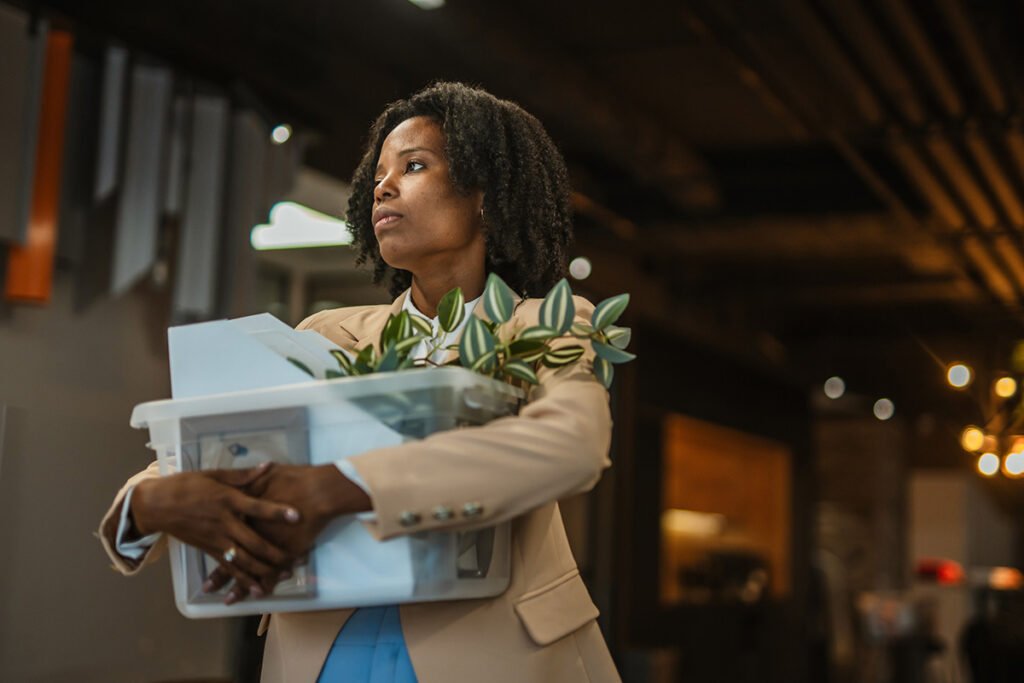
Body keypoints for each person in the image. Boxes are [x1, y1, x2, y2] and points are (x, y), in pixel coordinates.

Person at [99, 81, 620, 683]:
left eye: (415, 165)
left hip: (492, 649)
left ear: (485, 193)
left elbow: (571, 446)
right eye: (378, 175)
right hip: (324, 649)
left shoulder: (550, 325)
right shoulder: (328, 334)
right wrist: (148, 502)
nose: (384, 186)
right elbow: (220, 444)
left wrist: (343, 486)